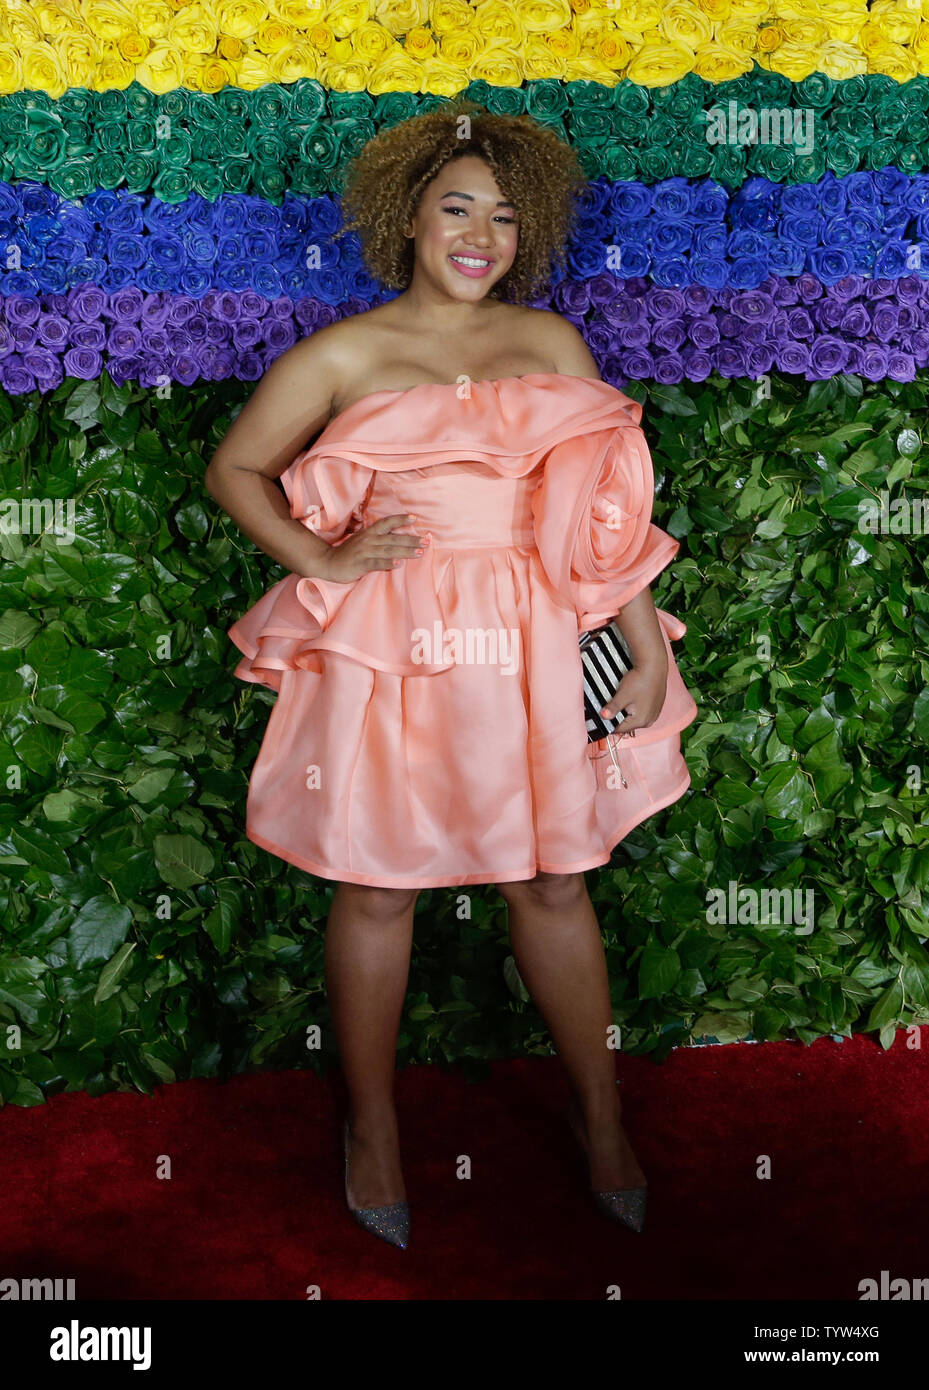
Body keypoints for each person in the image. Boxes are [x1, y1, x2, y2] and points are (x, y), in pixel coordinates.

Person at [204, 100, 698, 1250]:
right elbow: (235, 468)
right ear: (409, 220)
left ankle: (603, 1119)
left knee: (555, 879)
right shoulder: (346, 353)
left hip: (536, 637)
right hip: (396, 647)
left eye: (505, 217)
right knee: (377, 887)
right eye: (457, 208)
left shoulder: (549, 346)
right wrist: (322, 555)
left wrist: (640, 643)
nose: (482, 234)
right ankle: (371, 1128)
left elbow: (605, 516)